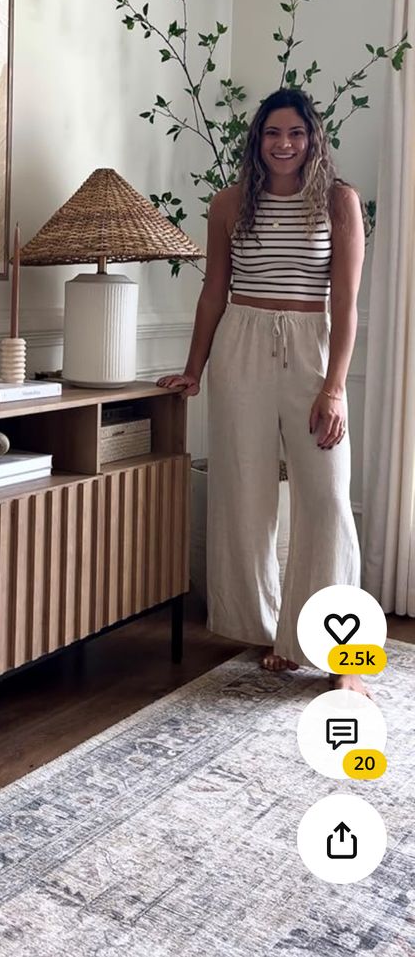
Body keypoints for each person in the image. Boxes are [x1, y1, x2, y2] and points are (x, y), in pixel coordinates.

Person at [158, 88, 366, 694]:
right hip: (241, 345)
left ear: (312, 138)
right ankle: (276, 632)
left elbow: (347, 306)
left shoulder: (338, 202)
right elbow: (212, 293)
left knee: (326, 498)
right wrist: (194, 367)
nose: (283, 144)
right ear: (257, 139)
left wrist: (334, 388)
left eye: (295, 133)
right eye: (272, 133)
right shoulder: (228, 204)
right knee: (245, 492)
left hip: (312, 347)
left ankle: (337, 654)